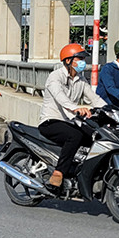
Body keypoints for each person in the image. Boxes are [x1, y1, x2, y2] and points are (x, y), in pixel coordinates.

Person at [39, 43, 106, 188]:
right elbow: (60, 97)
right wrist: (76, 108)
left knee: (96, 137)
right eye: (80, 58)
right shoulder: (55, 77)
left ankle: (83, 172)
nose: (83, 62)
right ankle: (59, 173)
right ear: (68, 60)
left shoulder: (80, 79)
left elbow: (93, 98)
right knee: (75, 136)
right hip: (51, 121)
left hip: (70, 122)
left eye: (83, 59)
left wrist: (108, 109)